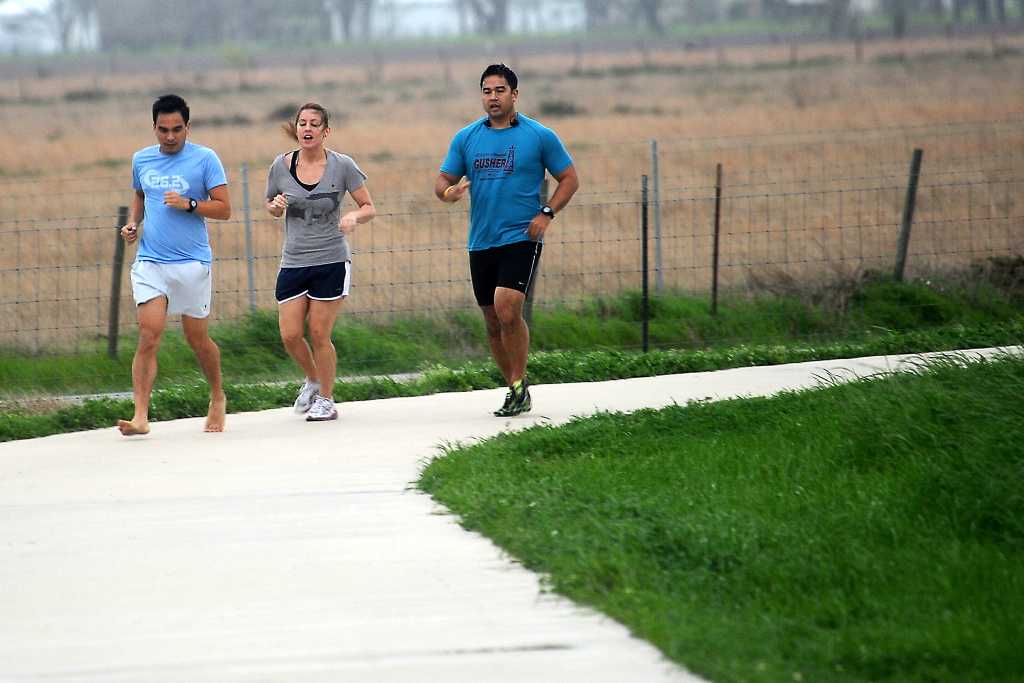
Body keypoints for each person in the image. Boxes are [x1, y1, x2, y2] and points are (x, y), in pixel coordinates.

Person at [435, 64, 580, 417]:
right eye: (487, 91)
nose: (493, 97)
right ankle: (515, 389)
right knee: (491, 320)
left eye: (500, 91)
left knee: (507, 308)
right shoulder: (466, 137)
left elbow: (570, 178)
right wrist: (451, 192)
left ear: (514, 94)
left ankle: (518, 380)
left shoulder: (539, 135)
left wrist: (546, 214)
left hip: (522, 236)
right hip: (481, 241)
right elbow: (441, 183)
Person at [117, 94, 231, 436]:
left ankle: (216, 396)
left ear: (187, 127)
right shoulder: (141, 159)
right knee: (149, 335)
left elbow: (224, 208)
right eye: (163, 130)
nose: (170, 136)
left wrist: (189, 203)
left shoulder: (205, 159)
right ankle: (140, 416)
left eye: (177, 129)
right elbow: (140, 195)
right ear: (154, 127)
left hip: (192, 263)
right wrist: (134, 225)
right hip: (151, 261)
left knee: (198, 339)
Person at [265, 103, 376, 422]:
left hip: (331, 259)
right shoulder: (281, 166)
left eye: (315, 123)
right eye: (302, 123)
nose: (308, 128)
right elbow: (271, 205)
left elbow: (369, 206)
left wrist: (354, 216)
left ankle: (326, 399)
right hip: (294, 259)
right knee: (288, 334)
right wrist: (275, 207)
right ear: (296, 129)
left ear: (325, 131)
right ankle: (314, 380)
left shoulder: (343, 166)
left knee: (318, 332)